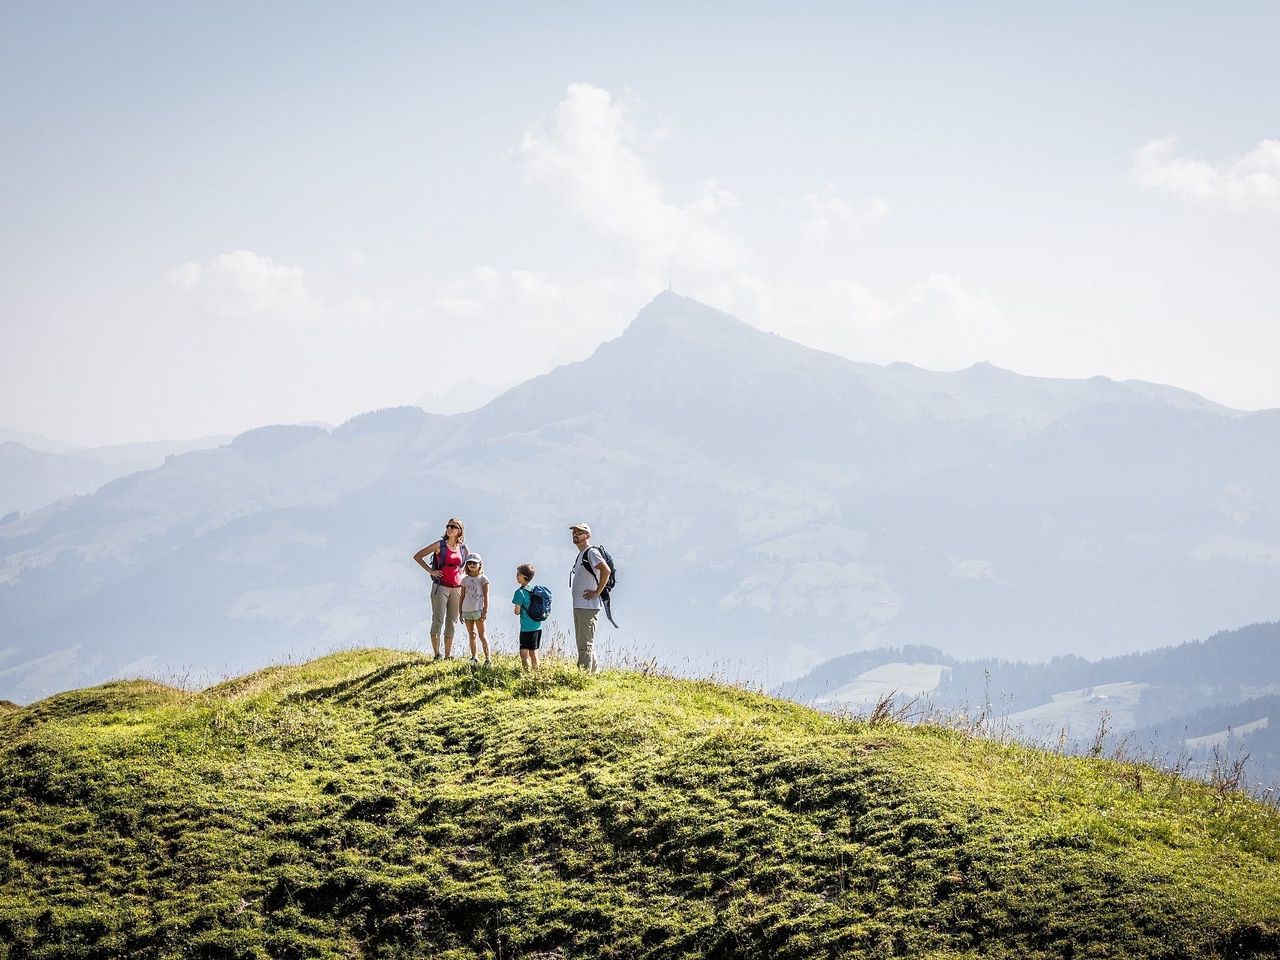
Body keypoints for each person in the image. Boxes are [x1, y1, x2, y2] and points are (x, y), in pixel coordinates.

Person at [412, 518, 468, 660]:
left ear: (459, 530)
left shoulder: (463, 548)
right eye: (448, 526)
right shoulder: (439, 545)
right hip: (440, 587)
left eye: (453, 527)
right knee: (438, 620)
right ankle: (437, 654)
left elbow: (465, 566)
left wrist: (463, 577)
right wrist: (431, 571)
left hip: (456, 588)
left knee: (452, 621)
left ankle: (448, 655)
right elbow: (418, 556)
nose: (449, 528)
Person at [568, 522, 610, 673]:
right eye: (574, 532)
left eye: (579, 532)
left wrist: (597, 592)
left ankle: (583, 676)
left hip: (588, 606)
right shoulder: (582, 554)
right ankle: (594, 673)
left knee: (584, 644)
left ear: (587, 536)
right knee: (585, 643)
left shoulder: (591, 552)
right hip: (580, 605)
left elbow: (606, 570)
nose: (575, 534)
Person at [460, 554, 491, 666]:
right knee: (472, 634)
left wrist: (485, 610)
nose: (472, 565)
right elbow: (462, 596)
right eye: (469, 563)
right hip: (467, 610)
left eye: (474, 563)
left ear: (479, 565)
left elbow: (486, 595)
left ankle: (488, 659)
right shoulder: (464, 580)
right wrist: (460, 611)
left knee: (482, 635)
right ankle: (474, 657)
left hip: (478, 610)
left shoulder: (483, 579)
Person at [512, 563, 542, 672]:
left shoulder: (519, 592)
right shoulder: (534, 590)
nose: (516, 576)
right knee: (534, 652)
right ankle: (536, 674)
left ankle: (527, 673)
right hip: (538, 627)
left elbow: (517, 611)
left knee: (524, 653)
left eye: (518, 574)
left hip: (526, 628)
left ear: (524, 577)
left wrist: (517, 609)